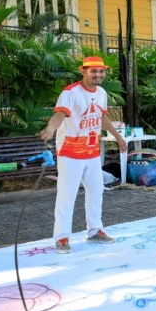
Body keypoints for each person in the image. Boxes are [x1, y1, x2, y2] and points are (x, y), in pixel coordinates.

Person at [40, 56, 127, 254]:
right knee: (67, 194)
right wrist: (51, 128)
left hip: (91, 151)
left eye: (101, 71)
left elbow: (101, 117)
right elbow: (60, 114)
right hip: (70, 151)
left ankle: (95, 230)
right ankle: (61, 237)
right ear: (83, 71)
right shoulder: (70, 93)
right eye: (93, 71)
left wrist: (117, 137)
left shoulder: (102, 92)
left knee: (97, 191)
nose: (98, 75)